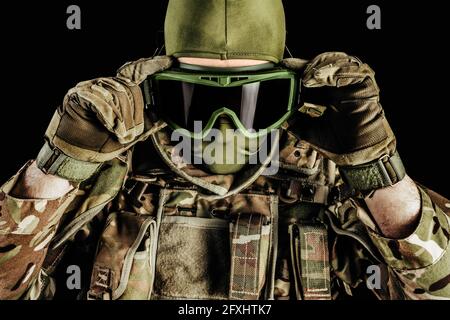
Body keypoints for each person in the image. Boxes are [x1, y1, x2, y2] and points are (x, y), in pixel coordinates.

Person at [1, 0, 449, 300]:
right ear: (158, 86)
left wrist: (376, 171)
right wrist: (58, 165)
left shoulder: (329, 182)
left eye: (254, 99)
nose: (223, 125)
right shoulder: (110, 176)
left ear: (290, 91)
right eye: (196, 98)